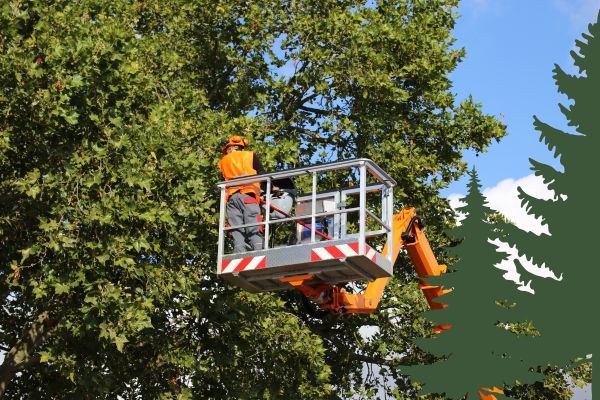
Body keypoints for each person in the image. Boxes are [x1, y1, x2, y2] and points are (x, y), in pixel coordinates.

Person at [218, 135, 265, 253]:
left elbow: (223, 180)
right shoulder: (249, 155)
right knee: (253, 221)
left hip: (232, 198)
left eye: (227, 149)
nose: (226, 152)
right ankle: (258, 248)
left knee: (235, 225)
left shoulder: (223, 162)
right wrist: (266, 189)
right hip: (248, 194)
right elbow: (262, 174)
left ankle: (239, 250)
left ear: (232, 147)